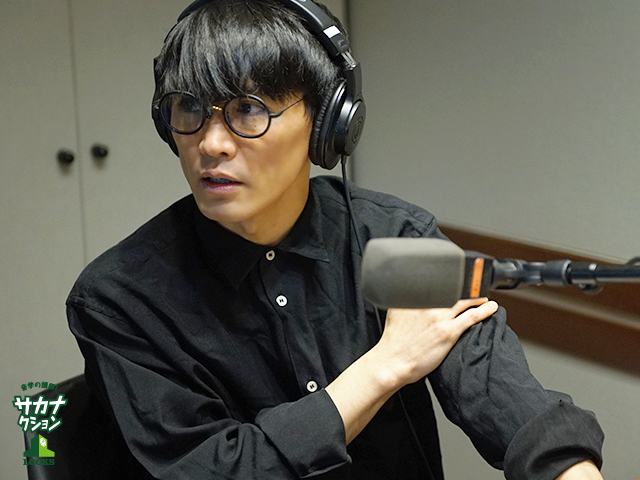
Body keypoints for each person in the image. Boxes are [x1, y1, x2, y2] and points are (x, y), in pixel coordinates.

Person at [66, 1, 605, 479]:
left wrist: (569, 469)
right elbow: (216, 467)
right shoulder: (120, 299)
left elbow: (501, 393)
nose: (210, 144)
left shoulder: (393, 236)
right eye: (189, 108)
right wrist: (384, 366)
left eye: (247, 109)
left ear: (326, 122)